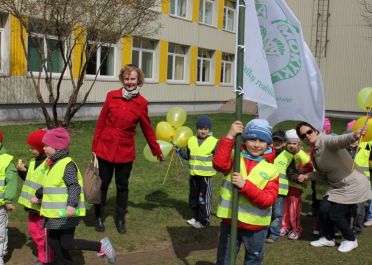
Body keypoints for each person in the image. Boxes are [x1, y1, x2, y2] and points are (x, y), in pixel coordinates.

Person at [92, 64, 164, 234]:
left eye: (132, 79)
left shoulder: (141, 103)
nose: (129, 82)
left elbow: (148, 129)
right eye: (126, 79)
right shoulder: (112, 96)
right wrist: (94, 148)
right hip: (105, 148)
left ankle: (120, 219)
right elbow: (101, 122)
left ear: (138, 80)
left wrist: (157, 151)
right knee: (102, 185)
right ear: (122, 79)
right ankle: (98, 217)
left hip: (125, 152)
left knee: (122, 187)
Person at [33, 128, 116, 264]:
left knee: (67, 243)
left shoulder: (67, 165)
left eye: (46, 145)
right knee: (53, 241)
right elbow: (55, 188)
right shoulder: (54, 164)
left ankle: (102, 246)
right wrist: (39, 198)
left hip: (66, 213)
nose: (44, 148)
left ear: (58, 148)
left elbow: (74, 186)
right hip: (55, 214)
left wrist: (71, 204)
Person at [296, 121, 372, 253]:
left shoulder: (325, 140)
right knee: (324, 209)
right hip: (337, 186)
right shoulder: (315, 151)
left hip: (353, 184)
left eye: (309, 132)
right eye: (303, 135)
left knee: (335, 214)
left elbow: (338, 141)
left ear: (316, 131)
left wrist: (354, 135)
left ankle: (351, 239)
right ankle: (328, 238)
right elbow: (323, 175)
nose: (307, 136)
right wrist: (307, 176)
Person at [213, 119, 279, 265]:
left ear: (268, 144)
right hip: (231, 222)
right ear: (245, 140)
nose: (256, 144)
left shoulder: (272, 170)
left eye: (262, 140)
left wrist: (245, 186)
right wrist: (230, 135)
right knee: (225, 259)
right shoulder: (235, 156)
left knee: (253, 260)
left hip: (256, 228)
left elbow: (268, 200)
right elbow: (218, 164)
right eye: (252, 139)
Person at [17, 129, 54, 265]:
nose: (30, 150)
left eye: (33, 148)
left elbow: (52, 183)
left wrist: (39, 196)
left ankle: (45, 259)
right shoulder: (33, 161)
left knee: (42, 235)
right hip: (31, 206)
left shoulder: (49, 163)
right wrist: (23, 172)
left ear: (42, 148)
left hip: (41, 206)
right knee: (33, 231)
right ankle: (47, 254)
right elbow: (30, 179)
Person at [177, 116, 218, 229]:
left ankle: (204, 221)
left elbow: (219, 158)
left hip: (205, 177)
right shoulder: (191, 140)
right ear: (196, 129)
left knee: (204, 199)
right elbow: (189, 156)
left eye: (205, 129)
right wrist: (180, 152)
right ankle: (195, 217)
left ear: (209, 130)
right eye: (200, 128)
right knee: (194, 197)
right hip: (194, 175)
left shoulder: (214, 142)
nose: (203, 131)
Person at [279, 129, 313, 240]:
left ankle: (296, 229)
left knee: (293, 209)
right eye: (289, 143)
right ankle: (285, 226)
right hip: (283, 186)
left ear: (299, 144)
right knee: (284, 208)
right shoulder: (283, 154)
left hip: (296, 187)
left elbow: (309, 168)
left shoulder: (302, 156)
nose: (291, 146)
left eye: (294, 143)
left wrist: (298, 175)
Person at [0, 130, 18, 265]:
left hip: (0, 206)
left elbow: (11, 182)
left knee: (0, 232)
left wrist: (8, 200)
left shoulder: (6, 160)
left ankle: (0, 255)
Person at [266, 129, 287, 243]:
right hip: (266, 188)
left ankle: (274, 234)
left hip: (279, 190)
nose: (277, 142)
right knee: (266, 211)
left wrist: (299, 177)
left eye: (280, 141)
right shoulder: (267, 152)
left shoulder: (288, 155)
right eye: (275, 140)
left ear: (284, 142)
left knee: (277, 213)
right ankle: (264, 232)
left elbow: (292, 170)